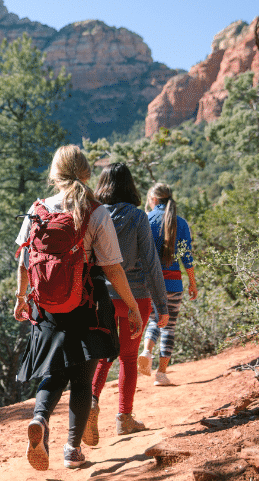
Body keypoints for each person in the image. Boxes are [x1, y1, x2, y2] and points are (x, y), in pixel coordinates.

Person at [13, 145, 143, 470]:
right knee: (82, 377)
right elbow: (113, 266)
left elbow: (24, 262)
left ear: (54, 175)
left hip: (46, 309)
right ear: (86, 173)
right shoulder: (95, 211)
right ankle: (72, 449)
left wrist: (20, 300)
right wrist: (132, 306)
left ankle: (40, 422)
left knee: (53, 373)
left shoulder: (37, 209)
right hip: (87, 303)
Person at [84, 164, 169, 445]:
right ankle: (124, 417)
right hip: (136, 297)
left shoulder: (95, 215)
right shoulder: (137, 217)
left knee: (104, 354)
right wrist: (162, 305)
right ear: (130, 186)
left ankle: (92, 402)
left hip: (102, 296)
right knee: (129, 358)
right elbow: (151, 262)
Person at [138, 182, 198, 387]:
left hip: (149, 283)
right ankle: (161, 374)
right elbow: (187, 257)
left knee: (154, 319)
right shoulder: (180, 223)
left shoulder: (145, 219)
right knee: (169, 326)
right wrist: (192, 282)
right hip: (173, 282)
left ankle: (146, 351)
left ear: (153, 199)